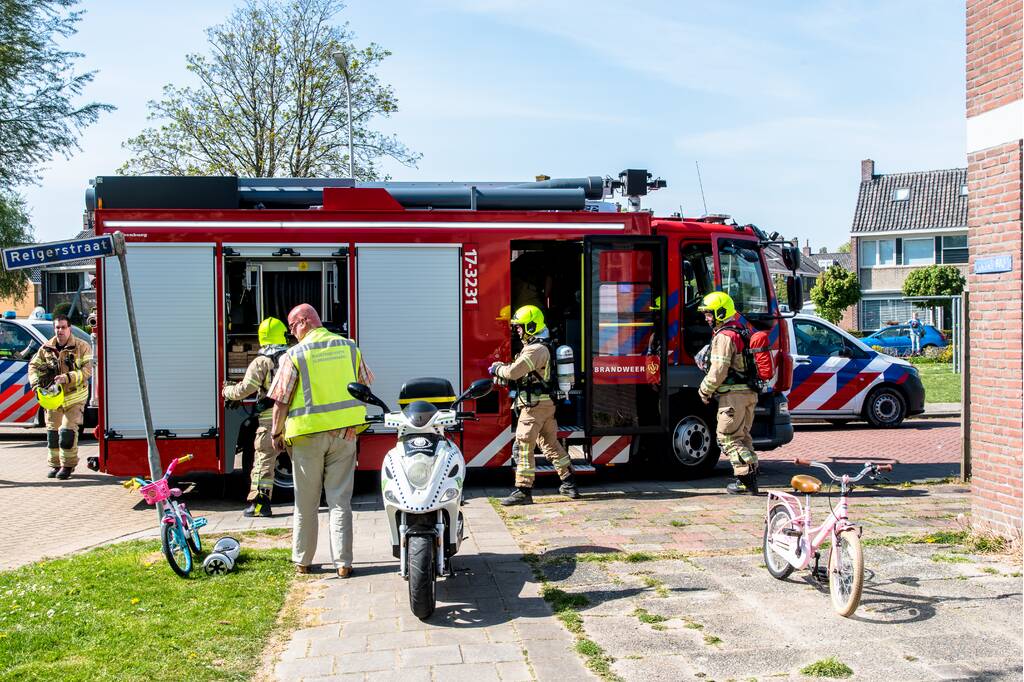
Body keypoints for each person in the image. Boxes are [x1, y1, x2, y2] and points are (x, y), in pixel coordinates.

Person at [267, 304, 373, 577]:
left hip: (307, 437)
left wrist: (276, 432)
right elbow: (365, 385)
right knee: (340, 501)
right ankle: (343, 564)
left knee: (306, 502)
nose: (292, 334)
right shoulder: (350, 348)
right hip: (345, 435)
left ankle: (303, 561)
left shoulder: (295, 355)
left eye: (292, 327)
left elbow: (281, 400)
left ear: (304, 321)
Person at [491, 304, 580, 506]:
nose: (517, 330)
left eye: (520, 327)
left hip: (533, 407)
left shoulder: (535, 349)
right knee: (551, 445)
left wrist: (497, 369)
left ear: (531, 325)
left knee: (523, 446)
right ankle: (569, 483)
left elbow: (514, 372)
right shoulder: (541, 346)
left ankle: (523, 490)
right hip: (545, 405)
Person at [222, 317, 288, 517]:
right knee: (304, 461)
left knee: (263, 462)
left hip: (270, 421)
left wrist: (227, 391)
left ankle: (260, 504)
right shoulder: (294, 357)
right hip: (296, 420)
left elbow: (246, 388)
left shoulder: (261, 362)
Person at [696, 292, 759, 495]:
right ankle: (751, 476)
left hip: (733, 396)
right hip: (748, 393)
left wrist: (704, 390)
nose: (707, 318)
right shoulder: (742, 331)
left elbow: (719, 370)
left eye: (709, 314)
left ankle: (745, 480)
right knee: (743, 438)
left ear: (720, 312)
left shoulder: (724, 336)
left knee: (727, 438)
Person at [28, 314, 92, 479]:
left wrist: (67, 377)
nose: (60, 330)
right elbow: (33, 366)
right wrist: (36, 385)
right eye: (57, 327)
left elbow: (88, 371)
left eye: (63, 327)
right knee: (53, 434)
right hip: (53, 398)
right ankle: (55, 465)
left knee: (67, 433)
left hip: (74, 397)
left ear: (69, 328)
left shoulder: (82, 347)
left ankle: (68, 466)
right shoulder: (47, 348)